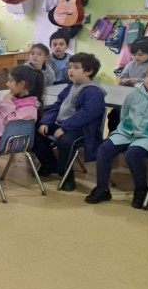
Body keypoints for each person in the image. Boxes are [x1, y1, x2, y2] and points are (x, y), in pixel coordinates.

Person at [85, 61, 148, 207]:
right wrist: (125, 128)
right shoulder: (135, 94)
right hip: (127, 131)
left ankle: (141, 190)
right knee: (104, 150)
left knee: (133, 154)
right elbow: (125, 113)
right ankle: (102, 189)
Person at [31, 53, 106, 192]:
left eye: (76, 68)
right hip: (64, 124)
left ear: (89, 71)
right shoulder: (71, 86)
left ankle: (67, 176)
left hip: (83, 129)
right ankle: (50, 164)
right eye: (70, 67)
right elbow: (57, 105)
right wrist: (45, 122)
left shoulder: (94, 92)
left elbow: (86, 115)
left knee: (65, 141)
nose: (70, 70)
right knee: (35, 129)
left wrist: (64, 128)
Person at [108, 36, 148, 131]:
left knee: (131, 119)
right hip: (128, 98)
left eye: (140, 54)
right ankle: (114, 135)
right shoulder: (131, 64)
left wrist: (137, 80)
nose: (136, 57)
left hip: (144, 101)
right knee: (113, 115)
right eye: (134, 54)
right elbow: (122, 79)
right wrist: (124, 81)